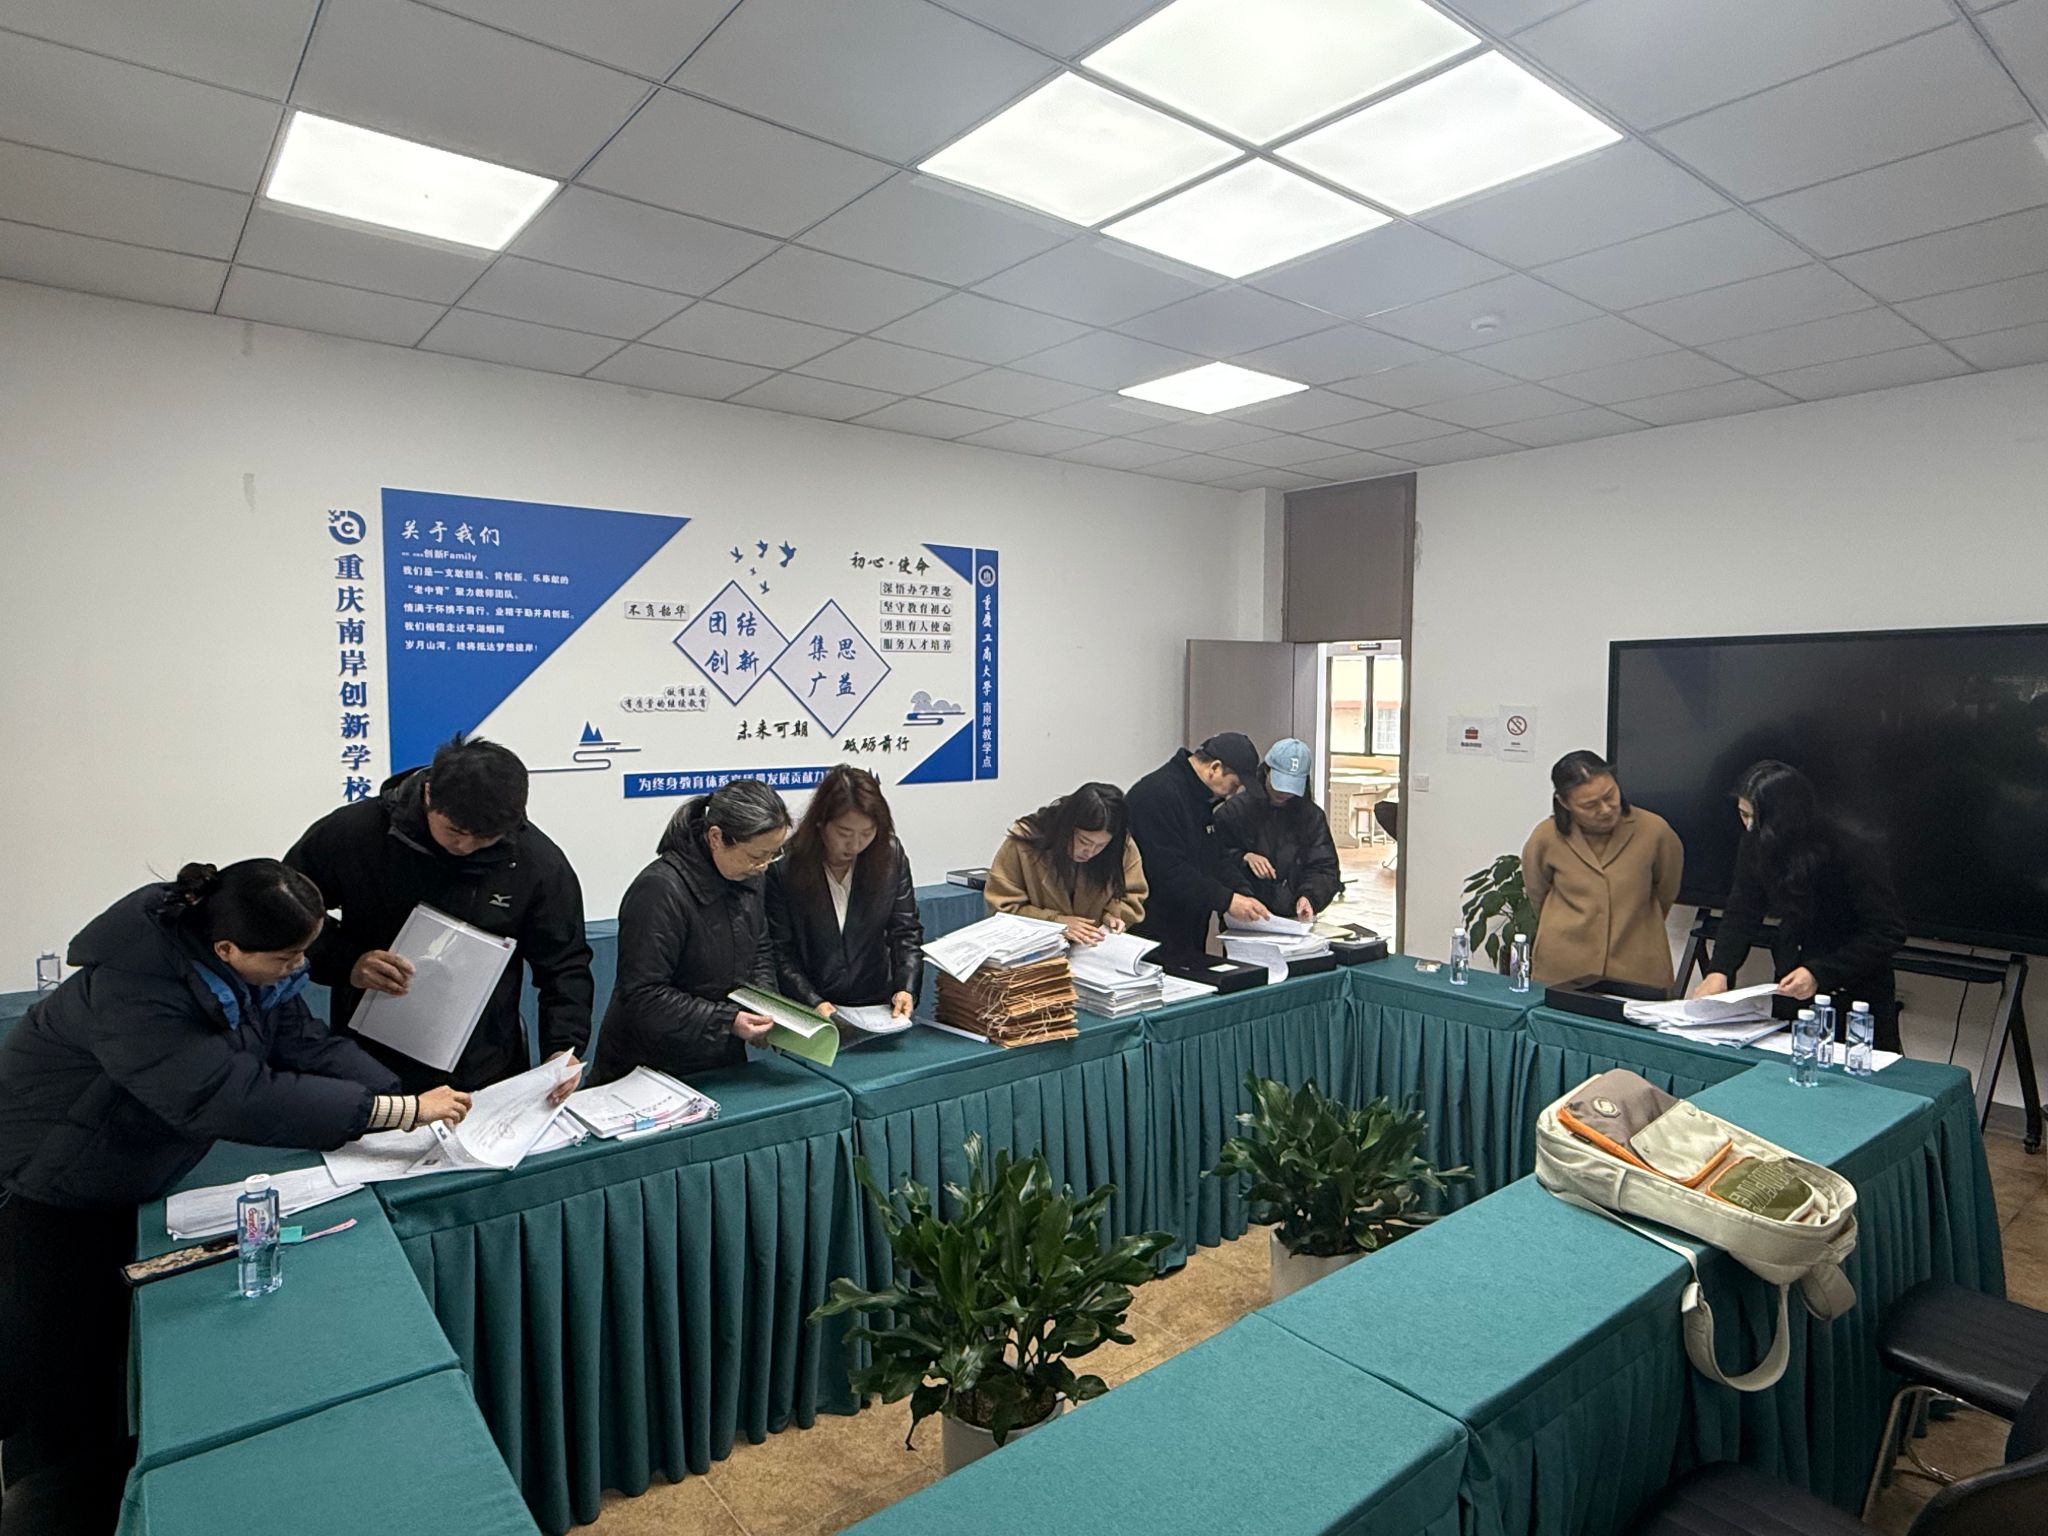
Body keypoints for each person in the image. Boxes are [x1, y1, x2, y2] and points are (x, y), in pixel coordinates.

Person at [0, 861, 469, 1535]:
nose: (299, 968)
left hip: (119, 1170)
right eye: (287, 958)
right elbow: (230, 1097)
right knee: (60, 1379)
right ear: (226, 948)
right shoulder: (134, 991)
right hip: (48, 1183)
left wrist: (405, 1100)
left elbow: (301, 1043)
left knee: (108, 1368)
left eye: (304, 952)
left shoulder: (242, 968)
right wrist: (394, 1112)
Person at [285, 735, 592, 1098]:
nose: (465, 846)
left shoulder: (536, 863)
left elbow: (564, 964)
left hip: (483, 1060)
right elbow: (285, 915)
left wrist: (563, 1049)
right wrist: (348, 962)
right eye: (455, 831)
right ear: (429, 795)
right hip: (368, 1050)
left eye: (485, 838)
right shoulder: (354, 834)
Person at [1690, 760, 1908, 1051]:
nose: (1749, 826)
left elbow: (1888, 931)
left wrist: (1820, 973)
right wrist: (1720, 970)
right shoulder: (1755, 841)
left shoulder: (1852, 848)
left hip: (1856, 993)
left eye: (1755, 817)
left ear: (1784, 816)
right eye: (1743, 814)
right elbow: (1742, 911)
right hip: (1793, 986)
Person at [593, 779, 792, 1083]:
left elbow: (759, 949)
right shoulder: (659, 890)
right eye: (756, 856)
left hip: (718, 1057)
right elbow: (643, 994)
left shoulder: (748, 876)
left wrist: (765, 1006)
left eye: (773, 854)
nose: (764, 866)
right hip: (648, 1066)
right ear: (716, 838)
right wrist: (727, 1021)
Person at [764, 765, 922, 1024]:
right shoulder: (785, 867)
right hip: (812, 1008)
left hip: (876, 1005)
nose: (855, 845)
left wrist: (906, 988)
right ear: (820, 824)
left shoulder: (889, 856)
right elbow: (779, 951)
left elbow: (905, 932)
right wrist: (811, 1001)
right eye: (844, 833)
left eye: (867, 833)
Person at [1520, 750, 1685, 991]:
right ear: (1564, 803)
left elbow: (1666, 890)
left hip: (1638, 967)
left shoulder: (1655, 831)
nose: (1606, 809)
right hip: (1563, 968)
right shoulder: (1545, 837)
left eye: (1610, 795)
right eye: (1589, 805)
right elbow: (1538, 893)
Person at [1126, 732, 1271, 958]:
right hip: (1153, 928)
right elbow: (1168, 870)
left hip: (1189, 928)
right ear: (1215, 768)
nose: (1233, 795)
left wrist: (1241, 893)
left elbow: (1214, 858)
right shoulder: (1157, 794)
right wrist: (1226, 900)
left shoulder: (1202, 798)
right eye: (1234, 785)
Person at [984, 782, 1149, 946]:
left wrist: (1111, 915)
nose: (1090, 851)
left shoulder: (1121, 846)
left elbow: (1132, 897)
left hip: (1092, 948)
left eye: (1101, 845)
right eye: (1084, 841)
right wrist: (1055, 922)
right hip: (1033, 949)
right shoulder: (1025, 841)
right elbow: (1001, 908)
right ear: (1067, 827)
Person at [1217, 738, 1342, 925]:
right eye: (1279, 784)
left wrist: (1310, 897)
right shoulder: (1235, 811)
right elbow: (1213, 857)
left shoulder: (1312, 816)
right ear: (1266, 771)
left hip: (1293, 918)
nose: (1283, 793)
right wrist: (1244, 857)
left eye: (1291, 788)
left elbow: (1324, 868)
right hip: (1245, 916)